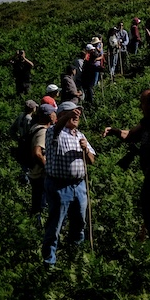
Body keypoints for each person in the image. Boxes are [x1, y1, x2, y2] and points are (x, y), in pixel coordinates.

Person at [42, 101, 96, 266]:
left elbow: (92, 160)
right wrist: (68, 115)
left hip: (79, 185)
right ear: (61, 116)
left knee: (80, 220)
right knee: (56, 223)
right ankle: (49, 261)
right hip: (59, 186)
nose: (76, 116)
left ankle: (75, 253)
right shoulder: (54, 132)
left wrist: (86, 149)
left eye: (77, 114)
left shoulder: (80, 135)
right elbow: (56, 126)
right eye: (72, 113)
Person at [28, 103, 56, 222]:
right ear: (49, 116)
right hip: (41, 175)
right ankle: (38, 229)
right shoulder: (43, 132)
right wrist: (47, 168)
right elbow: (37, 153)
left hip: (35, 173)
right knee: (41, 206)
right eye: (54, 113)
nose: (56, 115)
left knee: (37, 204)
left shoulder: (35, 127)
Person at [10, 99, 39, 182]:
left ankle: (23, 181)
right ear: (33, 108)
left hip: (21, 143)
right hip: (28, 144)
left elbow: (12, 130)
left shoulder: (20, 116)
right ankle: (27, 181)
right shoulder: (29, 119)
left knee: (23, 164)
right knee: (29, 164)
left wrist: (17, 138)